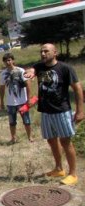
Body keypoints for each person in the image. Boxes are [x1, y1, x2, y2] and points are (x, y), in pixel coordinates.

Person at [24, 43, 84, 185]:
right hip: (45, 111)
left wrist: (81, 111)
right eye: (41, 52)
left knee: (65, 142)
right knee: (51, 140)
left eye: (46, 51)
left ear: (55, 52)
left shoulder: (65, 68)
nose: (43, 54)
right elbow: (32, 68)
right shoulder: (39, 66)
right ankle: (58, 169)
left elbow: (77, 89)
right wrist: (31, 72)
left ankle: (73, 174)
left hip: (61, 111)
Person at [0, 53, 33, 143]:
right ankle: (13, 138)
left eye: (9, 60)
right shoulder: (3, 74)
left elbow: (28, 84)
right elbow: (2, 88)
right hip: (10, 103)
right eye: (6, 61)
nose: (8, 62)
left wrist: (29, 99)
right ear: (4, 62)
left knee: (26, 120)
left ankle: (30, 137)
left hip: (22, 101)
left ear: (13, 60)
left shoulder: (21, 71)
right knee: (12, 122)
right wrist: (1, 101)